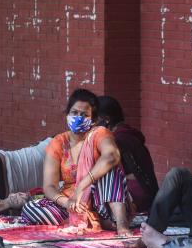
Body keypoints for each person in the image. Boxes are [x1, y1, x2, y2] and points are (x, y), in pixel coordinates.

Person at [19, 89, 134, 236]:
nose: (78, 118)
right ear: (67, 114)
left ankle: (121, 224)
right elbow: (49, 187)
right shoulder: (58, 143)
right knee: (31, 208)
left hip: (103, 204)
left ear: (93, 120)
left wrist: (81, 186)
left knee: (110, 169)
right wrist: (67, 203)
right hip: (71, 205)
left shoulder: (99, 134)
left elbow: (112, 156)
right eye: (74, 113)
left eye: (84, 115)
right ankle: (88, 220)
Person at [95, 96, 159, 212]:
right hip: (148, 192)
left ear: (106, 119)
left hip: (138, 194)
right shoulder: (126, 134)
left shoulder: (118, 139)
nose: (92, 123)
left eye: (95, 118)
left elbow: (116, 174)